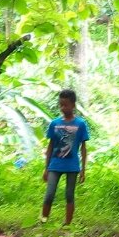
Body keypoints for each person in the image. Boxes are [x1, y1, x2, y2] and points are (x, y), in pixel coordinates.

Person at [41, 89, 88, 226]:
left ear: (73, 105)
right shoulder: (54, 123)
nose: (63, 108)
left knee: (69, 195)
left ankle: (67, 224)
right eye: (60, 105)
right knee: (49, 194)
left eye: (66, 105)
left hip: (72, 166)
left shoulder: (80, 124)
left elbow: (83, 148)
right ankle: (43, 221)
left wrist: (83, 169)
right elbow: (50, 146)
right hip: (55, 164)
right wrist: (46, 168)